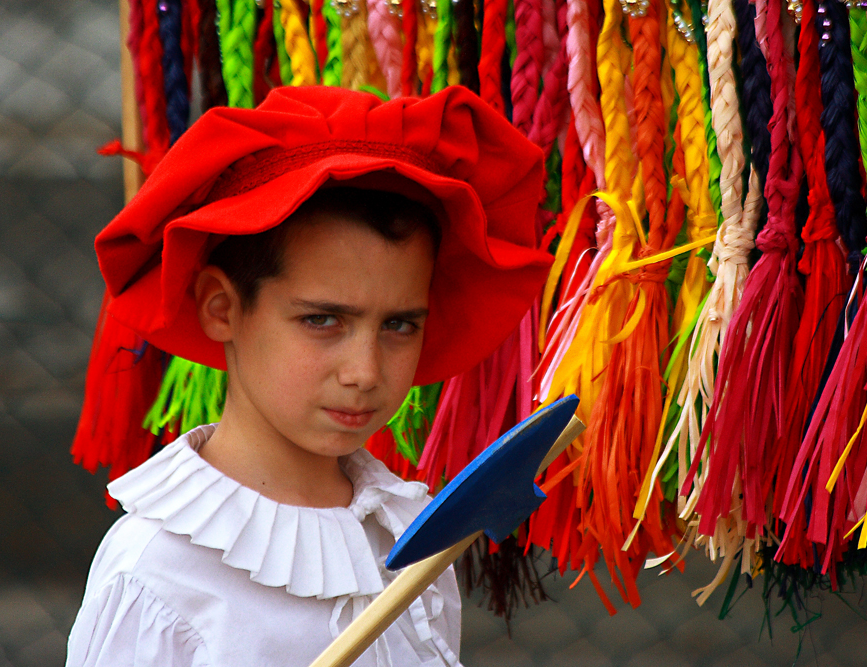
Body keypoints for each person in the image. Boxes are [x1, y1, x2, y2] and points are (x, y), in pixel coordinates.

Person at [65, 85, 551, 666]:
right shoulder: (157, 569)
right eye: (322, 320)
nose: (365, 371)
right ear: (222, 307)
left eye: (398, 325)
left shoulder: (412, 539)